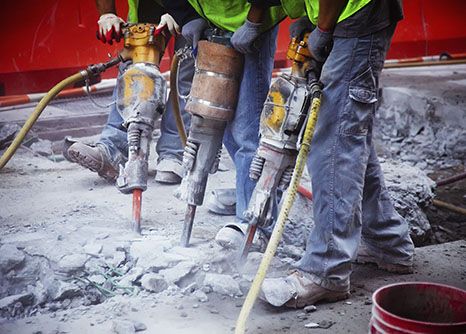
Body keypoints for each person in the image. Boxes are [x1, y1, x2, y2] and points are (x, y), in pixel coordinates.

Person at [259, 0, 415, 308]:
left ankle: (326, 269)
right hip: (349, 15)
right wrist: (308, 18)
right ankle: (387, 240)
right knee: (347, 133)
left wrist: (324, 27)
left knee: (334, 143)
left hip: (356, 16)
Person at [165, 0, 299, 247]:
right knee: (215, 115)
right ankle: (245, 193)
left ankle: (254, 222)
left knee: (247, 128)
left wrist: (254, 21)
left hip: (254, 19)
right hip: (215, 19)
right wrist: (186, 14)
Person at [66, 0, 193, 184]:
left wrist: (183, 11)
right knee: (132, 68)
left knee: (187, 68)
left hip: (194, 6)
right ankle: (113, 150)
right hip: (147, 6)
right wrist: (107, 14)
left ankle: (174, 154)